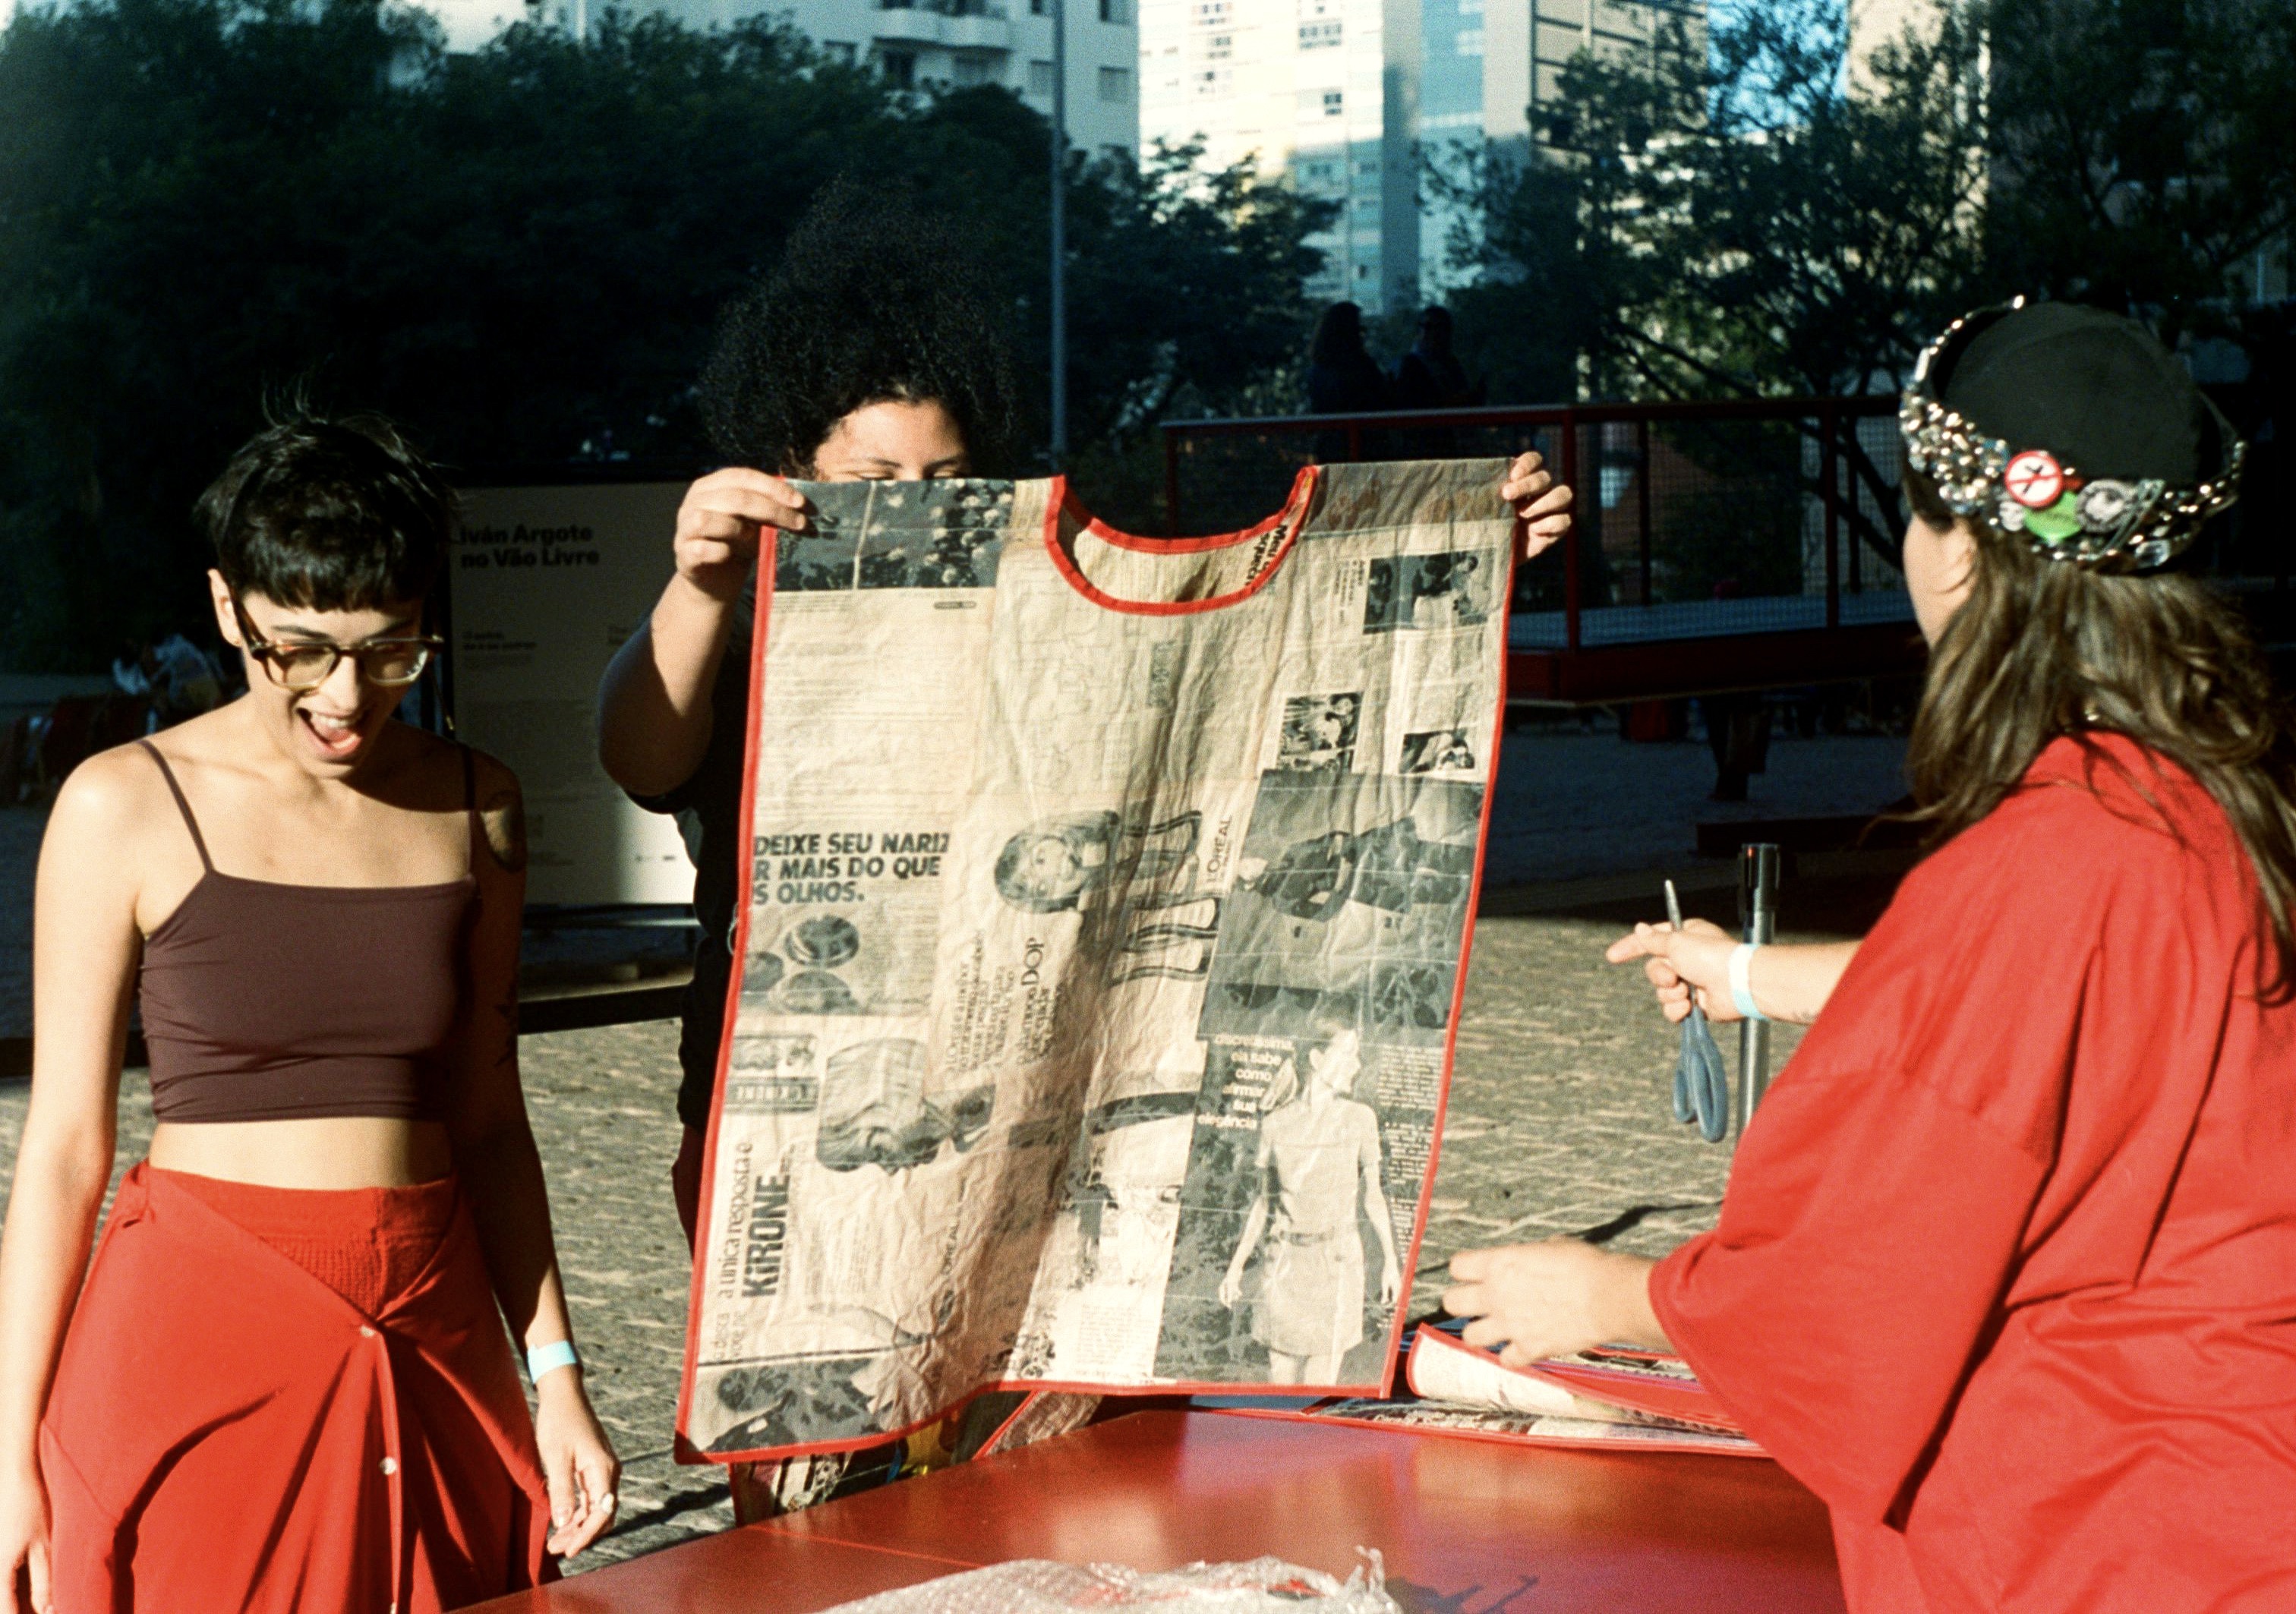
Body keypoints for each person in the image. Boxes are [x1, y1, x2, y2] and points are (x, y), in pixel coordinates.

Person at [1445, 301, 2296, 1612]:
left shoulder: (2041, 862)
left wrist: (1610, 1294)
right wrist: (1743, 975)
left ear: (1959, 548)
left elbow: (1855, 1283)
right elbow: (2019, 1018)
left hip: (2107, 1526)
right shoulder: (2199, 807)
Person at [0, 412, 620, 1614]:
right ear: (227, 606)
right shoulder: (122, 802)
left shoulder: (477, 802)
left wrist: (558, 1374)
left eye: (392, 651)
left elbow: (493, 1120)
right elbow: (66, 1146)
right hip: (196, 1325)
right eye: (302, 649)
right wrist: (8, 1448)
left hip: (433, 1321)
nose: (348, 694)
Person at [1218, 1029, 1402, 1383]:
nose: (1357, 1065)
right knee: (1281, 1385)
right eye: (1347, 1054)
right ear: (1317, 1059)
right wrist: (1235, 1268)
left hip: (1337, 1263)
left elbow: (1373, 1196)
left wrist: (1391, 1262)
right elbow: (1263, 1203)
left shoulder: (1361, 1118)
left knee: (1319, 1387)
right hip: (1284, 1265)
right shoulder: (1275, 1124)